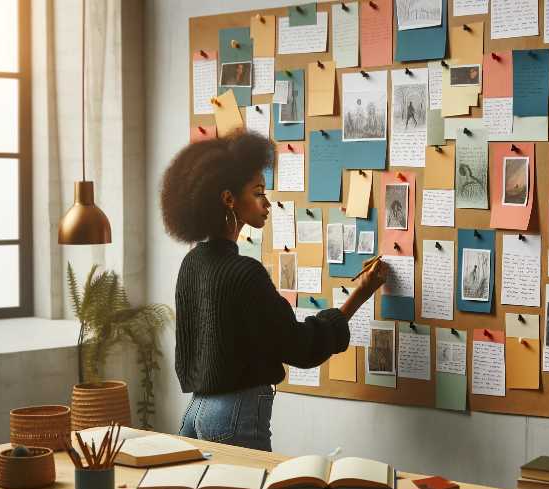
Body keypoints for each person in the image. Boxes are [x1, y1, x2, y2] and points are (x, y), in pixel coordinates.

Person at [160, 131, 387, 452]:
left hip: (194, 413)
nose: (267, 204)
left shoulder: (191, 264)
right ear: (228, 199)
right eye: (258, 193)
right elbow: (301, 347)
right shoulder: (244, 273)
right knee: (257, 487)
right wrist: (359, 296)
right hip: (234, 414)